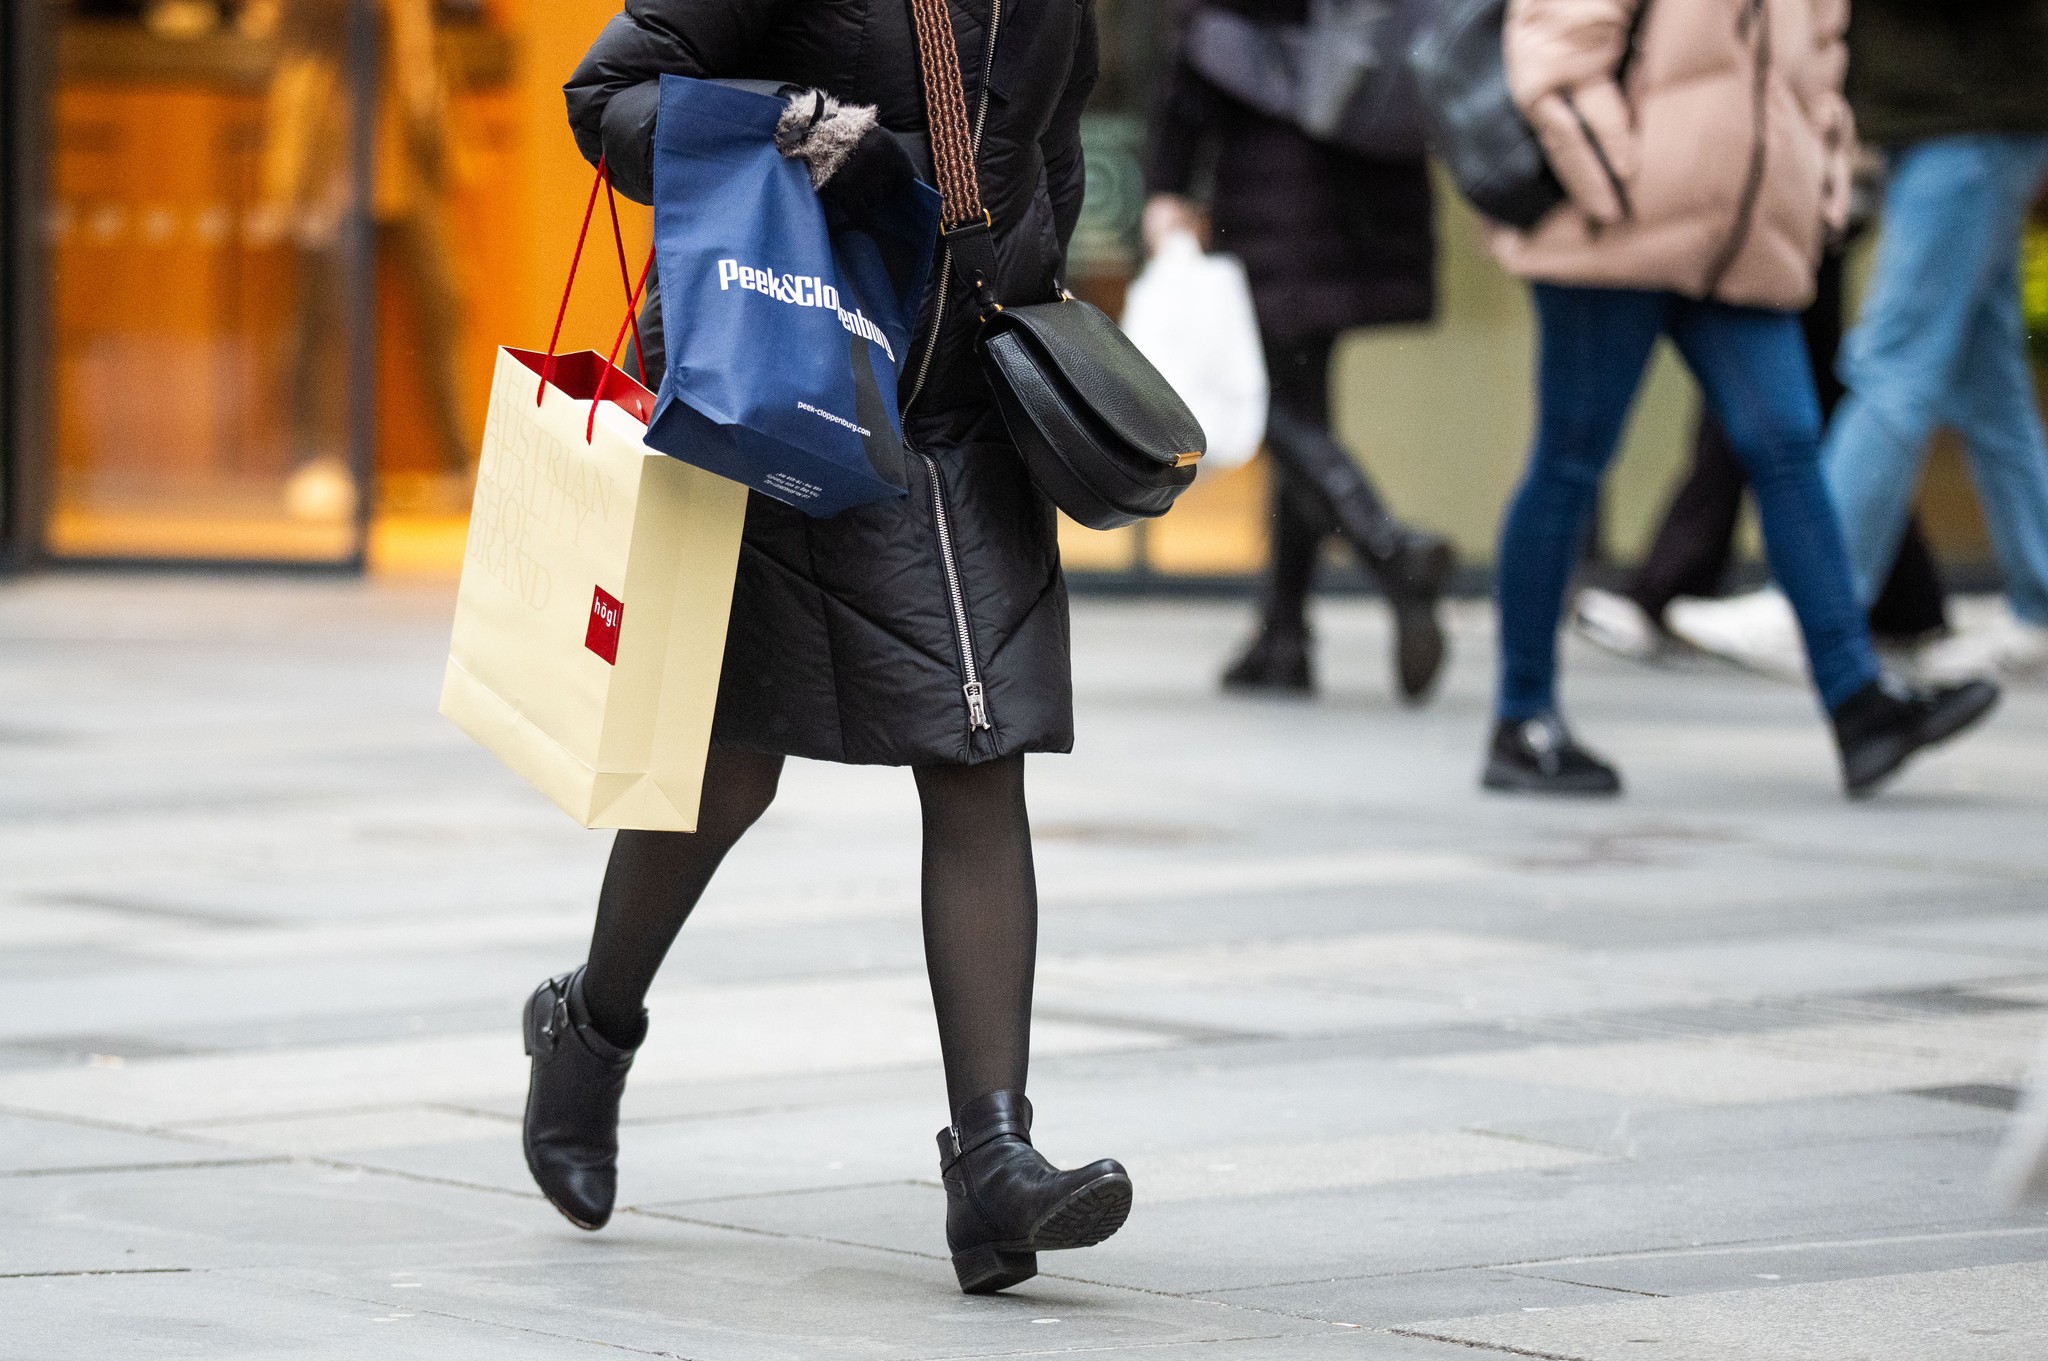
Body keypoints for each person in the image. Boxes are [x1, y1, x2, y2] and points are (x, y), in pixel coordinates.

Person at [524, 0, 1132, 1298]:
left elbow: (1050, 148)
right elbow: (610, 102)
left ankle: (994, 1167)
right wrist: (798, 136)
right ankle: (589, 1029)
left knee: (982, 749)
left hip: (963, 402)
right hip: (786, 377)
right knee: (728, 765)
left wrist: (1034, 311)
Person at [1481, 0, 1997, 799]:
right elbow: (1555, 52)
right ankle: (1522, 718)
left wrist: (1819, 183)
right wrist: (1622, 184)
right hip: (1617, 230)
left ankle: (1859, 703)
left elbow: (1818, 69)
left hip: (1743, 243)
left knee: (1787, 444)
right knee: (1571, 460)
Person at [1667, 0, 2048, 685]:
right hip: (1952, 121)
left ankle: (1817, 602)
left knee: (1893, 363)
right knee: (1990, 388)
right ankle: (2041, 603)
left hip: (1971, 124)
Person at [1144, 0, 1456, 703]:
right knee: (1302, 406)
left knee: (1270, 407)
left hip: (1273, 198)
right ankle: (1283, 634)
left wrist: (1166, 183)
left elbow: (1199, 59)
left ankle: (1388, 547)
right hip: (1361, 202)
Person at [1573, 248, 1954, 673]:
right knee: (1803, 398)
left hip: (1790, 215)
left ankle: (1798, 603)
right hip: (1791, 215)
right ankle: (1903, 603)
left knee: (1770, 398)